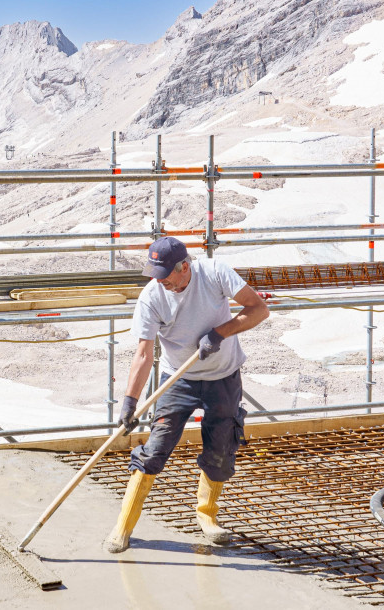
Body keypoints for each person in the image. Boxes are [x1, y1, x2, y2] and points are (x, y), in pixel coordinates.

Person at [105, 236, 269, 553]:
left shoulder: (215, 273)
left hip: (223, 377)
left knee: (221, 450)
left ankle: (207, 516)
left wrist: (220, 333)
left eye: (165, 274)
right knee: (154, 449)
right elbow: (143, 353)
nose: (159, 281)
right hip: (176, 380)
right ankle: (123, 526)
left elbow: (259, 309)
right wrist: (130, 401)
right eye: (154, 273)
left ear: (184, 266)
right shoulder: (152, 296)